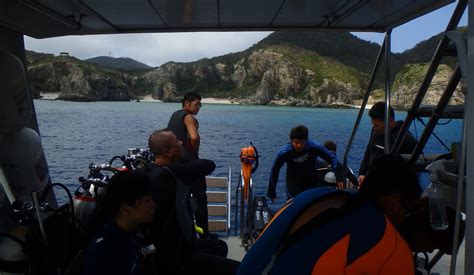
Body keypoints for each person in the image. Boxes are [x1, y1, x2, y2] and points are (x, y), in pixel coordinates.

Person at [238, 154, 422, 275]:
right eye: (407, 210)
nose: (405, 217)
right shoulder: (390, 244)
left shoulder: (312, 194)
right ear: (394, 200)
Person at [147, 129, 240, 275]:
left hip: (177, 247)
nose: (181, 142)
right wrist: (185, 154)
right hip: (179, 259)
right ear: (167, 151)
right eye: (177, 141)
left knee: (219, 246)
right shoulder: (173, 173)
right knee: (242, 270)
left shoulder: (155, 170)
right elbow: (209, 165)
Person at [83, 171, 156, 275]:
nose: (154, 205)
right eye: (147, 201)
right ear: (126, 209)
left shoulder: (134, 233)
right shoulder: (103, 251)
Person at [167, 92, 210, 237]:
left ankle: (185, 232)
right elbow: (194, 137)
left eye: (200, 105)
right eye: (196, 104)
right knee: (200, 199)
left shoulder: (175, 115)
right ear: (186, 103)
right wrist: (194, 154)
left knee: (182, 199)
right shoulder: (188, 117)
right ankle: (205, 235)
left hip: (174, 163)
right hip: (188, 162)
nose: (198, 108)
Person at [268, 125, 344, 202]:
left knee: (311, 204)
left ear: (306, 141)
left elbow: (332, 158)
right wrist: (272, 191)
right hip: (293, 183)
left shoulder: (314, 147)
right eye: (296, 142)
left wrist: (339, 177)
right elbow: (275, 170)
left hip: (311, 180)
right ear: (291, 140)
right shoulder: (284, 152)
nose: (299, 146)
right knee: (294, 204)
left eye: (302, 142)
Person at [358, 102, 417, 186]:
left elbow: (414, 170)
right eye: (373, 125)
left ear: (390, 121)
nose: (375, 128)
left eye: (377, 125)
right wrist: (362, 173)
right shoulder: (375, 131)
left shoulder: (405, 139)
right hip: (371, 181)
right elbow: (369, 151)